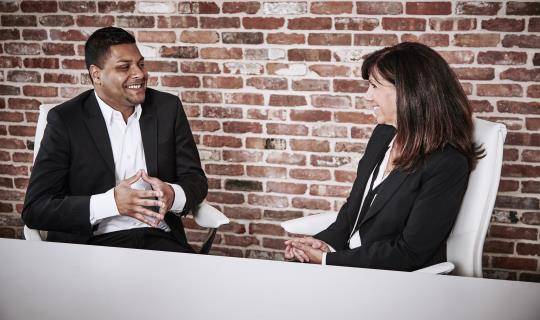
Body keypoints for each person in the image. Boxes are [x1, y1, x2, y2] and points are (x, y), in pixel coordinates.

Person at [284, 42, 483, 271]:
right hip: (354, 263)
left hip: (393, 279)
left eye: (374, 86)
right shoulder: (384, 134)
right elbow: (353, 210)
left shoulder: (446, 163)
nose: (367, 96)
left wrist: (328, 261)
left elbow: (410, 253)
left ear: (408, 92)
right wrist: (325, 244)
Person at [22, 27, 207, 253]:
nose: (139, 73)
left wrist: (172, 194)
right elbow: (36, 209)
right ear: (96, 74)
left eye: (141, 64)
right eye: (124, 67)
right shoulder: (66, 120)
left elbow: (195, 179)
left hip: (159, 238)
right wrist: (111, 203)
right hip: (91, 245)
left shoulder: (167, 108)